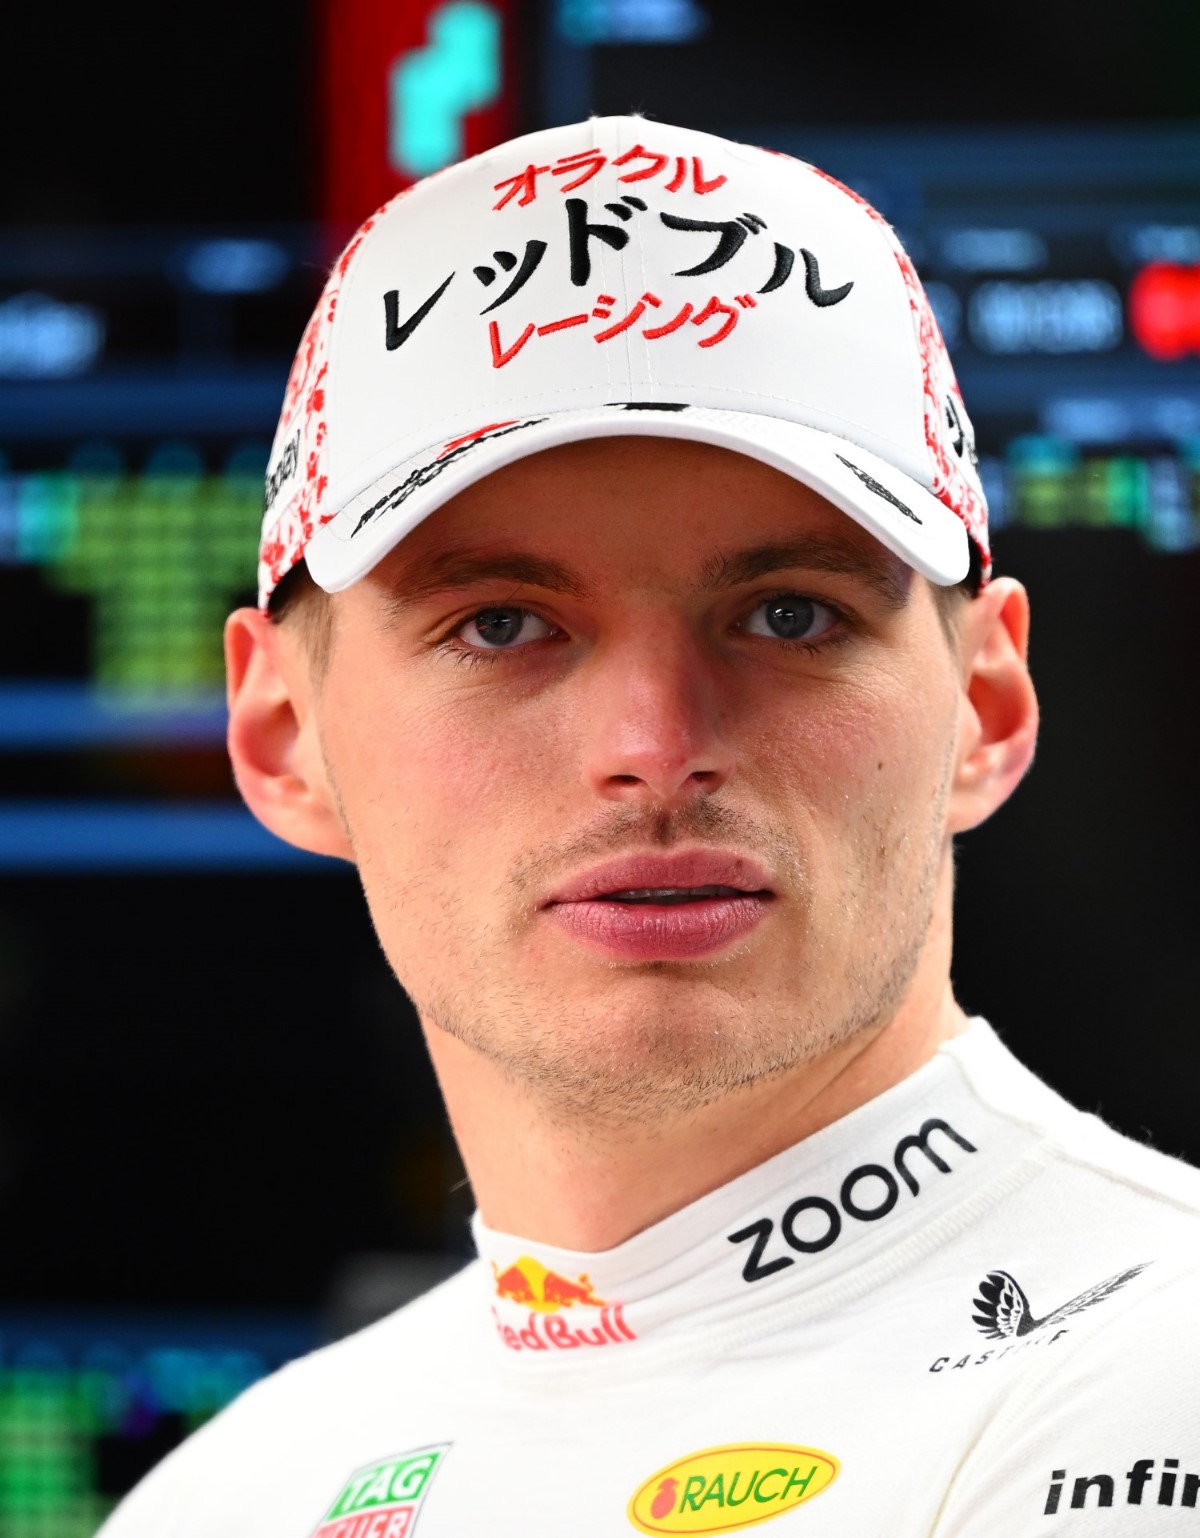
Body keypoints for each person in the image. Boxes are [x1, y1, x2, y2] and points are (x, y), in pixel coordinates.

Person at [100, 116, 1199, 1538]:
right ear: (281, 736)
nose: (653, 747)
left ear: (984, 705)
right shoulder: (233, 1491)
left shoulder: (1154, 1378)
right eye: (501, 624)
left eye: (788, 613)